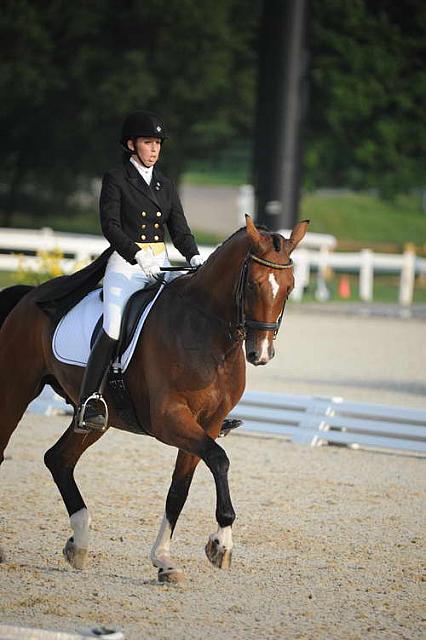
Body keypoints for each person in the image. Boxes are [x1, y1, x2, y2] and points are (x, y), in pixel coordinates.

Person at [75, 110, 203, 433]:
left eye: (158, 142)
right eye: (148, 142)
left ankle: (200, 399)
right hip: (126, 267)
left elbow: (181, 230)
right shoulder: (117, 179)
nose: (155, 148)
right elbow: (111, 226)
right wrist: (135, 254)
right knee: (113, 328)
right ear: (132, 145)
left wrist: (194, 256)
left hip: (160, 265)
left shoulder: (166, 185)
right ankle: (89, 401)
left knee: (190, 313)